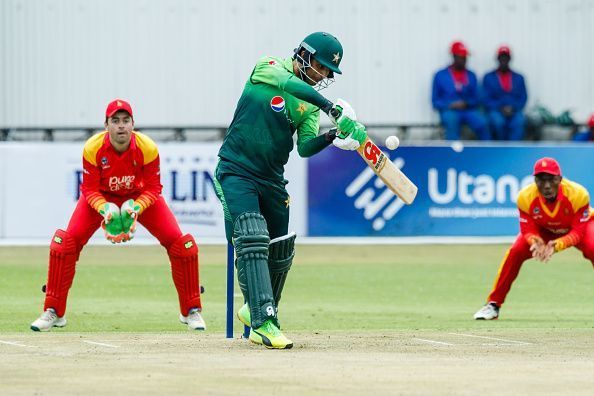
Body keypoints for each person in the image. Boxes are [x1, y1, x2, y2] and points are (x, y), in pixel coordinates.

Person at [214, 32, 367, 349]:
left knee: (281, 247)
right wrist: (330, 107)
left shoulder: (309, 106)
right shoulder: (268, 67)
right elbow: (289, 85)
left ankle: (252, 308)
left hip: (272, 178)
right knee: (253, 235)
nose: (323, 75)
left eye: (328, 72)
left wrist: (333, 135)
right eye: (322, 67)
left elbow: (304, 149)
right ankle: (264, 322)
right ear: (304, 55)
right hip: (236, 169)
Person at [30, 99, 205, 331]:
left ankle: (191, 311)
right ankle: (54, 311)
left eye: (125, 121)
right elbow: (89, 189)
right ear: (106, 125)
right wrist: (105, 209)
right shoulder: (93, 148)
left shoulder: (148, 148)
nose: (121, 126)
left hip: (139, 197)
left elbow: (153, 188)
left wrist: (137, 207)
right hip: (102, 198)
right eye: (115, 121)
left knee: (182, 245)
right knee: (64, 244)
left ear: (133, 125)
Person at [474, 157, 593, 320]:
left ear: (560, 179)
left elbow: (578, 233)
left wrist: (557, 245)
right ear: (535, 180)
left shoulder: (578, 195)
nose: (546, 185)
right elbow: (527, 229)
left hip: (579, 227)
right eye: (541, 180)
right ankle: (493, 305)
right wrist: (534, 241)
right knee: (516, 251)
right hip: (544, 230)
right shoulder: (525, 197)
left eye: (551, 179)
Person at [431, 41, 490, 140]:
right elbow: (435, 101)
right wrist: (450, 105)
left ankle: (487, 151)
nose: (464, 60)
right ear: (454, 56)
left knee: (482, 122)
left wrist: (466, 103)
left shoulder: (471, 75)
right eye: (461, 57)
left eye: (465, 57)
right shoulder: (440, 75)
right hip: (449, 110)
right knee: (451, 122)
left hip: (468, 109)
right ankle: (453, 153)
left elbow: (477, 97)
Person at [482, 45, 528, 140]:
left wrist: (513, 108)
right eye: (502, 57)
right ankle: (500, 149)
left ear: (510, 59)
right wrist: (500, 107)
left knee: (519, 121)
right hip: (496, 110)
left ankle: (514, 150)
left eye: (506, 57)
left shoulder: (519, 77)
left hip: (514, 110)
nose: (504, 60)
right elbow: (485, 98)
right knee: (498, 122)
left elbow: (523, 97)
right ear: (497, 59)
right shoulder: (489, 77)